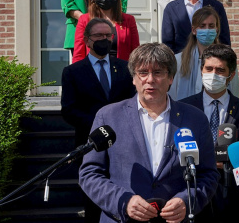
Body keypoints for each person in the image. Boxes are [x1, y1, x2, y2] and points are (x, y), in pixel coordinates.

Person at [78, 43, 220, 223]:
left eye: (158, 72)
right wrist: (124, 202)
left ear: (170, 78)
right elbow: (90, 173)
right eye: (143, 73)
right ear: (134, 78)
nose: (150, 79)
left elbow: (208, 175)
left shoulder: (195, 119)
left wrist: (187, 201)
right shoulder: (108, 116)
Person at [60, 18, 136, 222]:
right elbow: (68, 110)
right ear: (87, 40)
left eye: (108, 36)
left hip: (122, 143)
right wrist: (98, 126)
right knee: (93, 200)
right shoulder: (72, 72)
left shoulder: (125, 68)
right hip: (89, 144)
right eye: (98, 36)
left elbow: (133, 102)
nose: (104, 39)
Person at [181, 44, 239, 222]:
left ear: (230, 75)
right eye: (208, 68)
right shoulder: (183, 108)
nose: (213, 75)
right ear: (201, 70)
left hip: (230, 196)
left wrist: (231, 165)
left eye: (220, 70)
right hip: (193, 192)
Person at [73, 0, 139, 63]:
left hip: (122, 72)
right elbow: (78, 55)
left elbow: (136, 53)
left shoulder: (129, 20)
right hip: (92, 73)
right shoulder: (84, 20)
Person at [168, 6, 221, 100]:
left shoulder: (225, 60)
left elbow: (233, 93)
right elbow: (172, 95)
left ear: (217, 29)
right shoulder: (178, 61)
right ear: (194, 30)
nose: (207, 30)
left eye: (211, 26)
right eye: (202, 26)